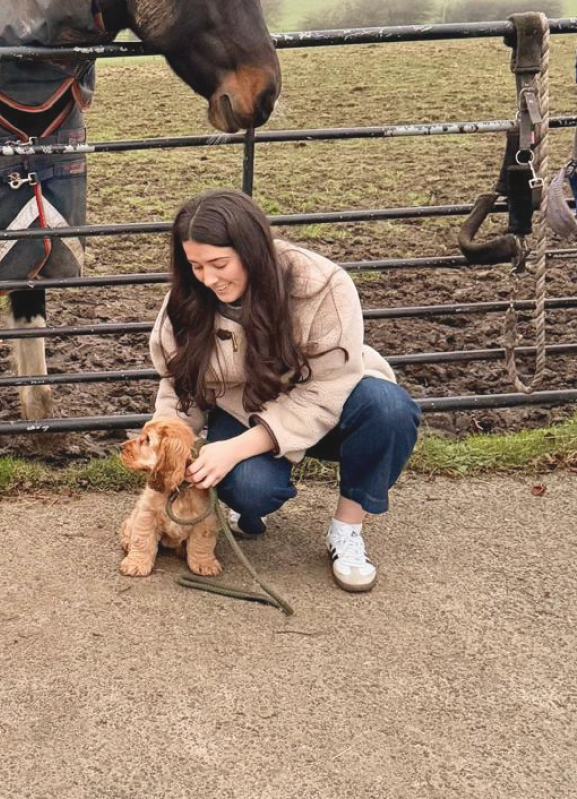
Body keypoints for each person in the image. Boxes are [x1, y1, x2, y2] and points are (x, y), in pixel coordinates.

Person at [148, 190, 421, 591]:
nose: (208, 279)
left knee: (389, 408)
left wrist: (235, 448)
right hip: (246, 409)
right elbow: (179, 384)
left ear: (252, 250)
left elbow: (330, 386)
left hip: (333, 405)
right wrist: (164, 452)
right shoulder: (188, 300)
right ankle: (249, 505)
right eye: (195, 266)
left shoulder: (320, 284)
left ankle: (346, 530)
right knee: (250, 490)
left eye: (220, 264)